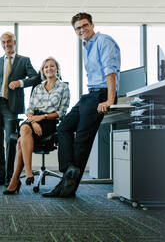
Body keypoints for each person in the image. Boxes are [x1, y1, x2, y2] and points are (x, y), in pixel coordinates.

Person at [42, 12, 121, 198]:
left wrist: (109, 100)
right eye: (78, 28)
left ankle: (67, 187)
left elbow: (110, 72)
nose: (82, 30)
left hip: (101, 94)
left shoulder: (103, 41)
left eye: (85, 25)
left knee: (82, 140)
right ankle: (68, 172)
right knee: (64, 127)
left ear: (92, 25)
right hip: (90, 94)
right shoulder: (86, 46)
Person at [3, 57, 70, 194]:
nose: (49, 69)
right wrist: (33, 121)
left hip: (49, 120)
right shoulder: (38, 88)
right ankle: (28, 172)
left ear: (57, 69)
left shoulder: (64, 87)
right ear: (42, 71)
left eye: (52, 66)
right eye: (46, 67)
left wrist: (42, 117)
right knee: (24, 128)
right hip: (33, 119)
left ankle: (15, 179)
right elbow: (30, 109)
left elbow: (61, 112)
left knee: (21, 139)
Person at [0, 32, 40, 187]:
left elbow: (36, 78)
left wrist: (20, 83)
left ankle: (10, 177)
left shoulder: (24, 60)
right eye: (3, 42)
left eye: (9, 41)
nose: (6, 44)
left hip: (11, 107)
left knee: (10, 141)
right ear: (1, 44)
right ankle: (0, 176)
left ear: (14, 42)